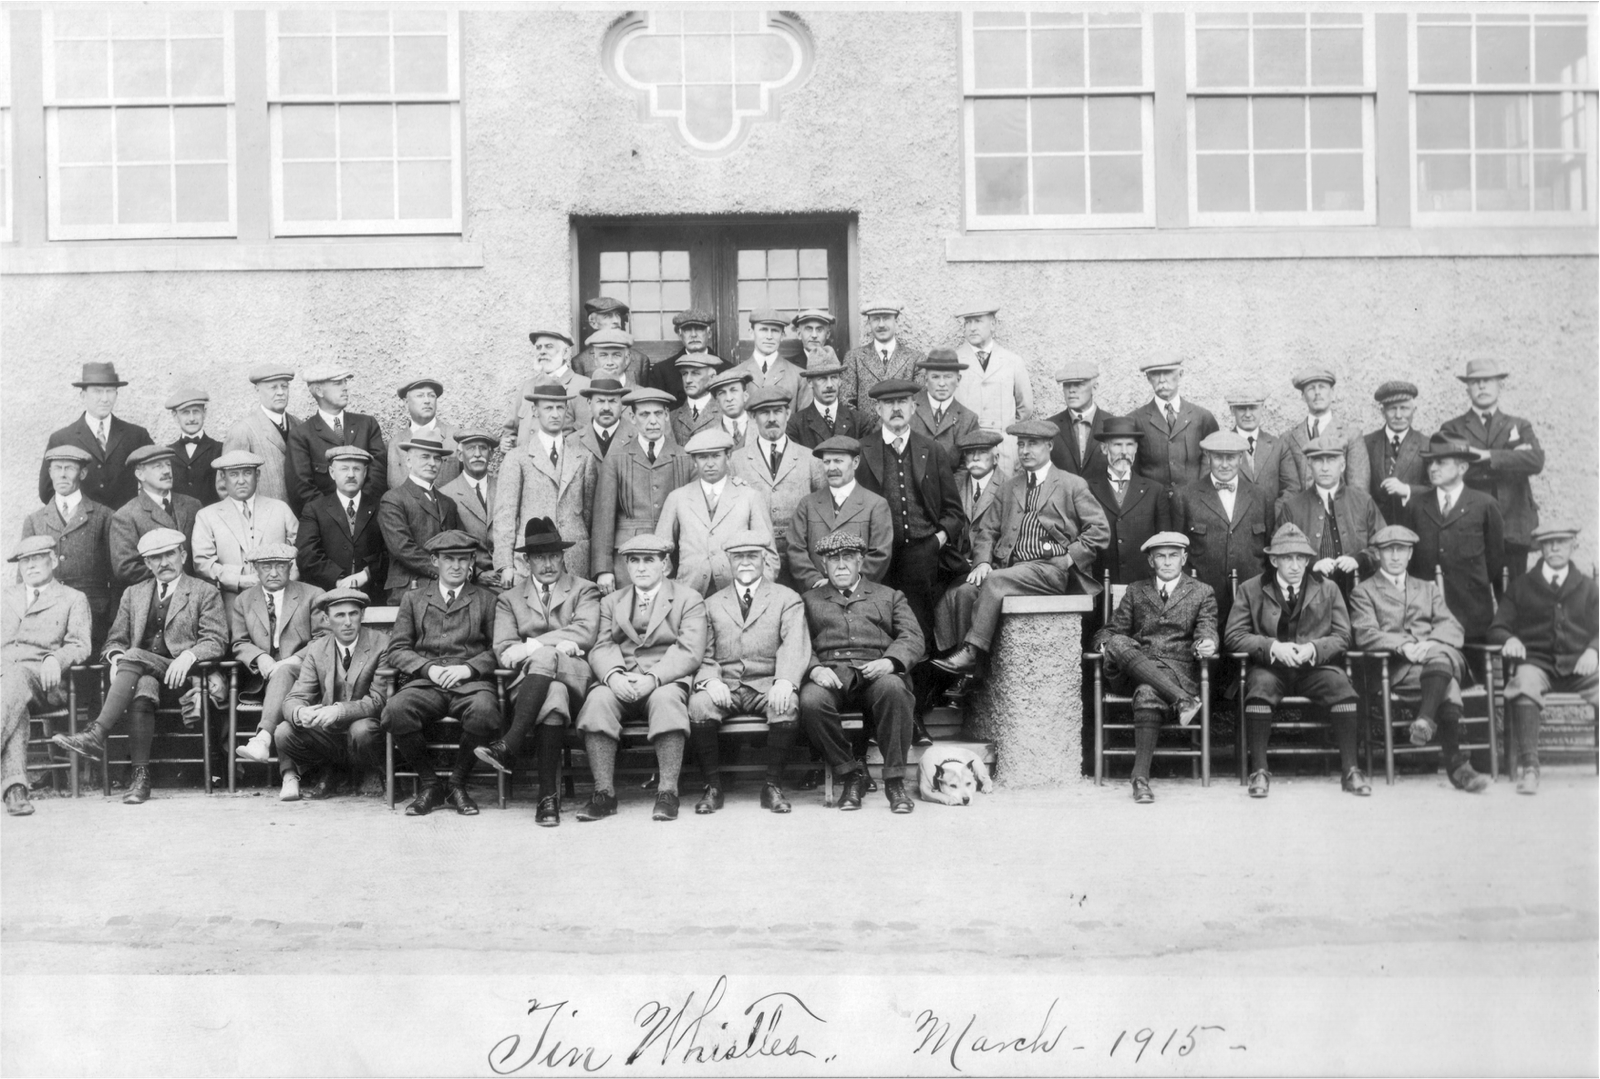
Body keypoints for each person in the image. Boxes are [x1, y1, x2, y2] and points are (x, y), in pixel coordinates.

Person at [52, 528, 227, 805]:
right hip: (141, 678)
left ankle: (97, 734)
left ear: (183, 555)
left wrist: (189, 656)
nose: (163, 563)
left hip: (183, 679)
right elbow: (114, 641)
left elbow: (216, 639)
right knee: (143, 686)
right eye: (154, 558)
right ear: (146, 563)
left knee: (135, 657)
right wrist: (115, 659)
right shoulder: (134, 593)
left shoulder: (204, 591)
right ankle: (140, 779)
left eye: (169, 554)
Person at [933, 419, 1109, 681]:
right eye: (1021, 444)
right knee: (965, 591)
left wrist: (1069, 558)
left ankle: (970, 652)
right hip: (1011, 569)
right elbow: (988, 531)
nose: (1025, 450)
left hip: (1050, 571)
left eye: (1033, 444)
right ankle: (972, 676)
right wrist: (982, 562)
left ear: (1049, 446)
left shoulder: (1071, 484)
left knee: (994, 581)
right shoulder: (1010, 486)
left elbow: (1100, 530)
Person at [1223, 523, 1369, 799]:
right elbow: (1233, 636)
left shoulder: (1328, 589)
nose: (1294, 565)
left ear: (1307, 560)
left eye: (1300, 558)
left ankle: (1351, 769)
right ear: (1274, 559)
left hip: (1313, 668)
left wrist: (1314, 648)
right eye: (1287, 558)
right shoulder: (1250, 589)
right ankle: (1260, 771)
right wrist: (1271, 647)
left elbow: (1342, 636)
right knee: (1259, 688)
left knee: (1342, 687)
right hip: (1269, 668)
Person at [574, 533, 708, 823]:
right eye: (634, 561)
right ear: (626, 566)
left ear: (666, 565)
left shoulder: (688, 599)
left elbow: (690, 650)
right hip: (622, 676)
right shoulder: (611, 601)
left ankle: (668, 792)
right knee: (597, 700)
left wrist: (654, 678)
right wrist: (613, 676)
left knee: (667, 700)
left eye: (649, 560)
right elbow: (602, 645)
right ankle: (604, 794)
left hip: (665, 679)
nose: (641, 567)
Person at [1348, 525, 1489, 794]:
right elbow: (1365, 634)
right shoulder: (1364, 592)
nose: (1395, 556)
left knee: (1442, 659)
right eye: (1388, 550)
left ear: (1410, 553)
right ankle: (1458, 767)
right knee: (1448, 683)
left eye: (1401, 550)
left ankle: (1426, 720)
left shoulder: (1427, 588)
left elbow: (1452, 627)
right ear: (1377, 554)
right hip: (1398, 669)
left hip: (1434, 658)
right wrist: (1403, 647)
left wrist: (1431, 643)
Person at [480, 518, 601, 827]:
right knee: (554, 695)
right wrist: (561, 642)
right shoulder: (508, 599)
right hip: (527, 685)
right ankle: (548, 801)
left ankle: (511, 742)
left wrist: (532, 646)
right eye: (539, 557)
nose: (548, 563)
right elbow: (505, 649)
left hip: (577, 679)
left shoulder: (584, 590)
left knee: (549, 661)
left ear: (563, 557)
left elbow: (585, 633)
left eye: (553, 555)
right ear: (526, 560)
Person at [798, 529, 925, 813]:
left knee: (895, 689)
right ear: (823, 565)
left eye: (848, 558)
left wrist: (891, 662)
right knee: (810, 702)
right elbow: (797, 642)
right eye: (833, 560)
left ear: (860, 562)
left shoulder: (889, 596)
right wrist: (814, 668)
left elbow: (913, 637)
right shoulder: (808, 600)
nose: (840, 565)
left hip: (876, 671)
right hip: (831, 674)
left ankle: (894, 782)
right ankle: (850, 774)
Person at [687, 530, 811, 814]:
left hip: (767, 683)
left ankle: (772, 786)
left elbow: (795, 643)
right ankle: (713, 786)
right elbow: (701, 652)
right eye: (738, 557)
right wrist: (709, 680)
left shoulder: (786, 597)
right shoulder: (711, 603)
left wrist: (785, 681)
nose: (745, 562)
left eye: (752, 556)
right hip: (726, 684)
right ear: (728, 561)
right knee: (698, 705)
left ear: (765, 559)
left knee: (787, 704)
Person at [380, 530, 502, 817]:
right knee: (395, 710)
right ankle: (430, 784)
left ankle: (457, 783)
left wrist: (469, 667)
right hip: (426, 683)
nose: (456, 566)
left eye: (463, 559)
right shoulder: (414, 599)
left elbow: (500, 648)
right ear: (434, 561)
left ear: (472, 561)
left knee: (485, 711)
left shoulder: (487, 599)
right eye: (449, 559)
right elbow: (397, 649)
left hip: (470, 684)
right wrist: (428, 668)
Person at [855, 379, 964, 695]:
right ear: (878, 409)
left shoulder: (932, 449)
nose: (897, 408)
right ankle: (887, 701)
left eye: (903, 401)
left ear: (915, 407)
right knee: (880, 627)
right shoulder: (862, 450)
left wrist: (936, 542)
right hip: (878, 555)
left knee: (918, 627)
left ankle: (919, 705)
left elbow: (955, 513)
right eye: (889, 403)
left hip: (922, 552)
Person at [1094, 533, 1218, 804]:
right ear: (1151, 560)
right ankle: (1182, 701)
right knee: (1116, 640)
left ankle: (1139, 779)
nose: (1167, 562)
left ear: (1184, 558)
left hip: (1178, 669)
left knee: (1148, 692)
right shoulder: (1136, 591)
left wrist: (1206, 643)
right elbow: (1111, 631)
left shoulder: (1202, 591)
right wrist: (1107, 646)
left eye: (1173, 555)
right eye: (1160, 556)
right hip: (1133, 668)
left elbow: (1206, 627)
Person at [1489, 522, 1600, 796]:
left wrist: (1594, 650)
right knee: (1523, 685)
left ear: (1573, 545)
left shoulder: (1588, 587)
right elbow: (1497, 627)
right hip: (1537, 665)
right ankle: (1530, 768)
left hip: (1579, 667)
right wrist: (1509, 639)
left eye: (1561, 542)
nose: (1554, 548)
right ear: (1539, 547)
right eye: (1548, 543)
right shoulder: (1521, 586)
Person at [0, 536, 92, 817]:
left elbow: (80, 644)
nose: (30, 565)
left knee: (15, 680)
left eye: (37, 558)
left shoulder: (73, 598)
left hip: (46, 683)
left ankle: (15, 789)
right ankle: (16, 790)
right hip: (8, 683)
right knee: (16, 705)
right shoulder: (5, 596)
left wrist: (55, 658)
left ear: (52, 560)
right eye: (24, 561)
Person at [276, 588, 391, 801]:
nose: (347, 622)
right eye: (339, 615)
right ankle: (333, 770)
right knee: (284, 733)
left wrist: (339, 711)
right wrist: (301, 712)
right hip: (331, 735)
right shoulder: (317, 648)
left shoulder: (381, 644)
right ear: (327, 619)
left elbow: (379, 700)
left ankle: (376, 771)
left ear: (362, 616)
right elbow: (294, 697)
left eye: (353, 614)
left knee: (362, 731)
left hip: (366, 729)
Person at [229, 544, 327, 790]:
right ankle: (289, 777)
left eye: (280, 566)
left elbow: (324, 638)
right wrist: (260, 657)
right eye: (266, 567)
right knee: (283, 694)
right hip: (261, 679)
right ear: (255, 569)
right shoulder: (244, 600)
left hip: (306, 674)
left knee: (284, 673)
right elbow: (239, 642)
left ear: (291, 567)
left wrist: (294, 660)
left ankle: (262, 738)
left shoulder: (313, 594)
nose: (273, 572)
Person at [1438, 358, 1546, 578]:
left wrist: (1487, 456)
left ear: (1500, 385)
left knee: (1515, 596)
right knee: (1474, 597)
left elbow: (1535, 461)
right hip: (1472, 524)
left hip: (1514, 525)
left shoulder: (1519, 425)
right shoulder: (1453, 428)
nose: (1481, 386)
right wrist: (1512, 459)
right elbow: (1451, 471)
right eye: (1475, 382)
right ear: (1467, 388)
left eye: (1487, 381)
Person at [590, 387, 697, 594]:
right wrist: (603, 569)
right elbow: (603, 518)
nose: (653, 421)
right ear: (632, 417)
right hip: (627, 559)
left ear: (667, 415)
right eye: (644, 414)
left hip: (672, 556)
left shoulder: (685, 458)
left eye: (658, 413)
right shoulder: (615, 459)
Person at [494, 386, 598, 588]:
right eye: (548, 408)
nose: (555, 414)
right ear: (535, 411)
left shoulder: (583, 456)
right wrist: (505, 564)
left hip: (574, 559)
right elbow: (505, 514)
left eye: (560, 408)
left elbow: (588, 513)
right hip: (533, 558)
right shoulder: (518, 457)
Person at [655, 429, 778, 596]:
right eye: (703, 457)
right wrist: (671, 590)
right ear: (694, 461)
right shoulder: (677, 498)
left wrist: (756, 590)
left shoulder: (749, 496)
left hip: (737, 591)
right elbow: (660, 551)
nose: (710, 463)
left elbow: (769, 554)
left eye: (716, 456)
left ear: (728, 457)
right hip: (689, 592)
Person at [1409, 433, 1505, 644]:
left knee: (1476, 675)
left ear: (1462, 468)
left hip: (1473, 616)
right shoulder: (1416, 505)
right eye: (1430, 462)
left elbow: (1494, 559)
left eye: (1441, 462)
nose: (1432, 468)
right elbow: (1412, 560)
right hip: (1428, 617)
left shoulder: (1485, 505)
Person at [1171, 430, 1271, 628]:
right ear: (1208, 457)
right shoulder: (1185, 497)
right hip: (1202, 604)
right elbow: (1177, 553)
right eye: (1218, 457)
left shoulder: (1261, 496)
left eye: (1231, 457)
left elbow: (1268, 551)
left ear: (1241, 458)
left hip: (1252, 601)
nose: (1224, 464)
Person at [23, 445, 117, 651]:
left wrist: (113, 621)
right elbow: (24, 578)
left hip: (94, 616)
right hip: (48, 616)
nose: (63, 475)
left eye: (69, 468)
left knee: (87, 678)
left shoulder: (104, 516)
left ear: (82, 473)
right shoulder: (35, 521)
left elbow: (116, 575)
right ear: (50, 473)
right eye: (57, 468)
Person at [1273, 435, 1385, 599]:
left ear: (1343, 465)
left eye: (1331, 460)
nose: (1325, 467)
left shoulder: (1363, 502)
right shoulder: (1292, 507)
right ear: (1309, 465)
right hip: (1310, 598)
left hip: (1360, 594)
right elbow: (1278, 552)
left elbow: (1384, 545)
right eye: (1318, 460)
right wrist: (1311, 564)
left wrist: (1359, 560)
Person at [191, 450, 300, 617]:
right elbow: (202, 563)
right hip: (232, 600)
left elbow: (299, 548)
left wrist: (287, 578)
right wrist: (240, 580)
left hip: (282, 597)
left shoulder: (280, 509)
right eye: (234, 474)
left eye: (247, 473)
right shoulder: (207, 516)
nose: (241, 481)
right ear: (223, 478)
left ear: (258, 475)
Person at [733, 386, 824, 586]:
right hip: (758, 558)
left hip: (803, 558)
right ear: (752, 416)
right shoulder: (736, 461)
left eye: (778, 412)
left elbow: (822, 510)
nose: (772, 418)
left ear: (788, 413)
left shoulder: (810, 458)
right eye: (765, 413)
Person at [933, 429, 1007, 664]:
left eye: (981, 453)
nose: (974, 458)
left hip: (991, 565)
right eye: (969, 453)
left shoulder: (1008, 486)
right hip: (956, 563)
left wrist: (985, 562)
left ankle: (966, 666)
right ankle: (939, 661)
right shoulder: (953, 484)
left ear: (995, 456)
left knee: (965, 593)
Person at [38, 362, 153, 509]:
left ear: (116, 394)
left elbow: (156, 478)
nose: (105, 398)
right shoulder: (62, 439)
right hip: (82, 525)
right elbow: (46, 492)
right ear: (83, 395)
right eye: (98, 391)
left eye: (110, 391)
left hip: (126, 525)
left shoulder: (137, 435)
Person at [378, 433, 464, 603]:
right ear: (409, 461)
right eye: (425, 457)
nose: (432, 463)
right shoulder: (393, 499)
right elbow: (402, 548)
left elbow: (462, 542)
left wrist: (465, 568)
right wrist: (444, 570)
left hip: (447, 587)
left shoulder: (448, 503)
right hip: (410, 587)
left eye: (437, 458)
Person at [295, 446, 386, 604]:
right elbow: (307, 554)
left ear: (365, 473)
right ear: (332, 473)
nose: (351, 474)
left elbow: (389, 552)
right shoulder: (315, 509)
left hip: (373, 596)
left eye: (357, 469)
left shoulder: (381, 507)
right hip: (326, 596)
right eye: (344, 469)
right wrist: (338, 581)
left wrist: (366, 574)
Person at [287, 365, 387, 508]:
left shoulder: (367, 425)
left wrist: (358, 508)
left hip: (366, 516)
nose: (345, 387)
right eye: (337, 383)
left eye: (345, 382)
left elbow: (378, 474)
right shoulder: (301, 435)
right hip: (325, 522)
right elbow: (301, 488)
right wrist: (334, 514)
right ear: (319, 391)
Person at [1086, 417, 1171, 587]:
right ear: (1104, 448)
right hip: (1100, 582)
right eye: (1117, 445)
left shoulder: (1154, 490)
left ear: (1136, 448)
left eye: (1129, 445)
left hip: (1143, 584)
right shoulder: (1085, 488)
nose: (1124, 451)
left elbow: (1164, 544)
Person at [952, 302, 1034, 475]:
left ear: (993, 324)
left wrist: (1008, 438)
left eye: (978, 321)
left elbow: (1024, 409)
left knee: (1003, 497)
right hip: (967, 450)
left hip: (1003, 451)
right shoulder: (954, 362)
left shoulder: (1012, 361)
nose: (972, 328)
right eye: (968, 322)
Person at [1127, 353, 1219, 497]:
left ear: (1180, 374)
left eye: (1168, 373)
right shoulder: (1135, 420)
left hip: (1194, 502)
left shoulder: (1202, 418)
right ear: (1148, 378)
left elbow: (1212, 460)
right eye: (1156, 374)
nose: (1162, 380)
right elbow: (1133, 468)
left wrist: (1201, 494)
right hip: (1153, 504)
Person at [109, 445, 202, 584]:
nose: (166, 471)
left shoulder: (192, 505)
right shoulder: (126, 515)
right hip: (154, 596)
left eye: (168, 465)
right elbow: (126, 568)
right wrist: (172, 576)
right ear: (140, 474)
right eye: (158, 466)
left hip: (195, 594)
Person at [1277, 367, 1371, 499]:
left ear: (1332, 393)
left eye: (1322, 387)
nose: (1317, 393)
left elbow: (1359, 492)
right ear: (1303, 396)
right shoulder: (1288, 438)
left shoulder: (1351, 435)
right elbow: (1289, 489)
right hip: (1301, 516)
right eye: (1311, 388)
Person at [223, 364, 303, 509]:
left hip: (300, 518)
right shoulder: (242, 430)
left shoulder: (299, 425)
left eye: (284, 386)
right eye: (273, 387)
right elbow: (226, 487)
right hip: (263, 521)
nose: (280, 392)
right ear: (257, 389)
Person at [503, 330, 592, 450]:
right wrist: (506, 443)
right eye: (538, 347)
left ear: (565, 353)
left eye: (549, 347)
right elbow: (510, 431)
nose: (542, 352)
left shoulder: (582, 386)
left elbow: (586, 436)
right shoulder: (527, 387)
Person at [1363, 381, 1430, 528]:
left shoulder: (1427, 444)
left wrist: (1407, 490)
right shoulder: (1367, 443)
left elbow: (1438, 489)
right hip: (1376, 529)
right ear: (1382, 411)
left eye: (1404, 408)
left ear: (1414, 410)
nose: (1398, 415)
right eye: (1392, 409)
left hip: (1415, 527)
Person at [438, 429, 501, 588]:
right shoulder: (446, 494)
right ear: (460, 456)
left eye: (483, 448)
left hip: (508, 579)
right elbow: (448, 545)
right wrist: (477, 573)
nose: (478, 454)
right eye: (471, 448)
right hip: (470, 583)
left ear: (491, 455)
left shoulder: (506, 487)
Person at [840, 299, 924, 410]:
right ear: (869, 322)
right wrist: (864, 427)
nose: (881, 325)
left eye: (886, 318)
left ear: (896, 321)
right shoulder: (854, 358)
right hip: (864, 427)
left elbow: (920, 403)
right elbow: (846, 403)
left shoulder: (916, 359)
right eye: (875, 319)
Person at [385, 377, 461, 491]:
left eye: (431, 395)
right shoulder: (392, 445)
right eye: (420, 396)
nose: (427, 400)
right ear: (406, 403)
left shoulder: (455, 438)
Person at [911, 350, 980, 467]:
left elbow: (967, 466)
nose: (942, 384)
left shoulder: (968, 419)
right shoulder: (907, 408)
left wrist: (949, 485)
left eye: (948, 377)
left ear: (958, 380)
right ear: (926, 380)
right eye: (935, 377)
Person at [787, 358, 877, 447]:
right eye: (822, 379)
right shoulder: (795, 424)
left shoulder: (860, 421)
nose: (829, 385)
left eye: (834, 377)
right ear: (810, 382)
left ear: (840, 381)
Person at [1047, 361, 1114, 480]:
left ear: (1094, 388)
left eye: (1078, 384)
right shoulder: (1049, 427)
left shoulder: (1112, 424)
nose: (1071, 390)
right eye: (1067, 384)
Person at [1226, 390, 1287, 511]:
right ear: (1232, 410)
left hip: (1271, 524)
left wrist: (1272, 517)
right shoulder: (1221, 446)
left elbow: (1291, 488)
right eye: (1242, 408)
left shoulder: (1278, 446)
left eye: (1253, 408)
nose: (1248, 414)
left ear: (1262, 408)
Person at [647, 309, 721, 407]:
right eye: (687, 330)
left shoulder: (727, 369)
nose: (693, 335)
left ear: (709, 333)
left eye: (699, 329)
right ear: (680, 335)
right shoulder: (661, 372)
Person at [735, 310, 806, 412]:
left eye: (775, 331)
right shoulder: (735, 374)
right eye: (763, 330)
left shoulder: (799, 377)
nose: (769, 336)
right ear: (751, 333)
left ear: (782, 335)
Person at [573, 297, 651, 384]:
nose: (616, 321)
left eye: (617, 315)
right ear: (593, 323)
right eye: (608, 316)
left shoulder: (640, 360)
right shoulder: (580, 362)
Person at [164, 388, 222, 506]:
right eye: (185, 412)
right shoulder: (167, 453)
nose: (191, 418)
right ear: (175, 416)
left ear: (204, 413)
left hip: (211, 519)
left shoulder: (220, 449)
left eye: (196, 411)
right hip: (178, 521)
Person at [574, 379, 635, 463]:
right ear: (589, 404)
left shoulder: (638, 439)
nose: (606, 408)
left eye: (612, 401)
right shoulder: (572, 441)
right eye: (600, 401)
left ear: (622, 405)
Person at [669, 354, 722, 446]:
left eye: (695, 373)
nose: (688, 380)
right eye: (684, 374)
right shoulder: (671, 417)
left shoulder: (724, 414)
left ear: (712, 377)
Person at [708, 368, 754, 448]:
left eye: (734, 390)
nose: (729, 398)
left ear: (745, 396)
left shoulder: (761, 430)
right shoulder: (709, 436)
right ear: (717, 401)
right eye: (722, 393)